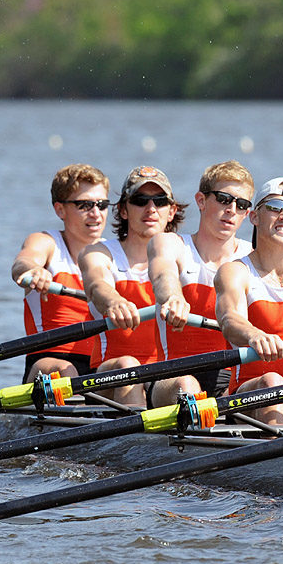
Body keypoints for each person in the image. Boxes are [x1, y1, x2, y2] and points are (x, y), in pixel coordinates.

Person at [147, 161, 254, 408]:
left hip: (229, 379)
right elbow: (164, 275)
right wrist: (173, 297)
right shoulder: (170, 244)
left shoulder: (251, 258)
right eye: (224, 199)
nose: (232, 209)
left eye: (241, 205)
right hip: (173, 375)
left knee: (269, 382)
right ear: (201, 200)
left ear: (248, 213)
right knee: (188, 387)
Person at [79, 166, 183, 407]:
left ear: (172, 211)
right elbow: (97, 284)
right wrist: (114, 301)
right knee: (128, 366)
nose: (151, 209)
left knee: (185, 383)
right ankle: (137, 441)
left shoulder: (184, 254)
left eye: (159, 201)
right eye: (140, 201)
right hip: (110, 376)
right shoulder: (99, 252)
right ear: (123, 210)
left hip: (161, 377)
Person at [215, 178, 283, 425]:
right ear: (254, 217)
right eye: (275, 206)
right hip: (249, 392)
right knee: (273, 382)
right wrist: (254, 335)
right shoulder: (235, 271)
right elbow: (229, 319)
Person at [11, 164, 110, 383]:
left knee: (126, 367)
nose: (96, 213)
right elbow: (23, 262)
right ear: (60, 210)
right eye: (84, 205)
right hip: (49, 363)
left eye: (102, 205)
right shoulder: (47, 243)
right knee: (66, 372)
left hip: (99, 367)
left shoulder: (112, 253)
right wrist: (34, 270)